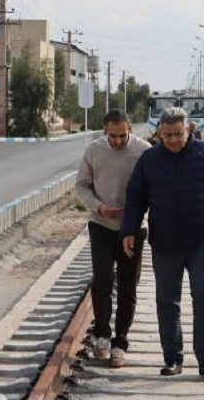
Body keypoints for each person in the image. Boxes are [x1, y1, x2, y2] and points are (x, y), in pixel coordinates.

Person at [120, 107, 204, 377]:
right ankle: (172, 358)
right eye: (168, 135)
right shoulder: (149, 159)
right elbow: (136, 198)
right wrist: (129, 229)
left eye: (178, 134)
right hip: (166, 242)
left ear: (188, 130)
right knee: (167, 301)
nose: (173, 140)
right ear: (159, 133)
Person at [75, 109, 150, 368]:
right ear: (105, 130)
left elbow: (152, 187)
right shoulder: (94, 150)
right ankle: (102, 336)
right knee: (102, 281)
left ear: (130, 129)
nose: (117, 141)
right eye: (113, 136)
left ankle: (121, 341)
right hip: (101, 225)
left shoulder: (143, 151)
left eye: (122, 136)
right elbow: (81, 185)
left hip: (133, 228)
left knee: (128, 286)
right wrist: (98, 207)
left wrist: (138, 214)